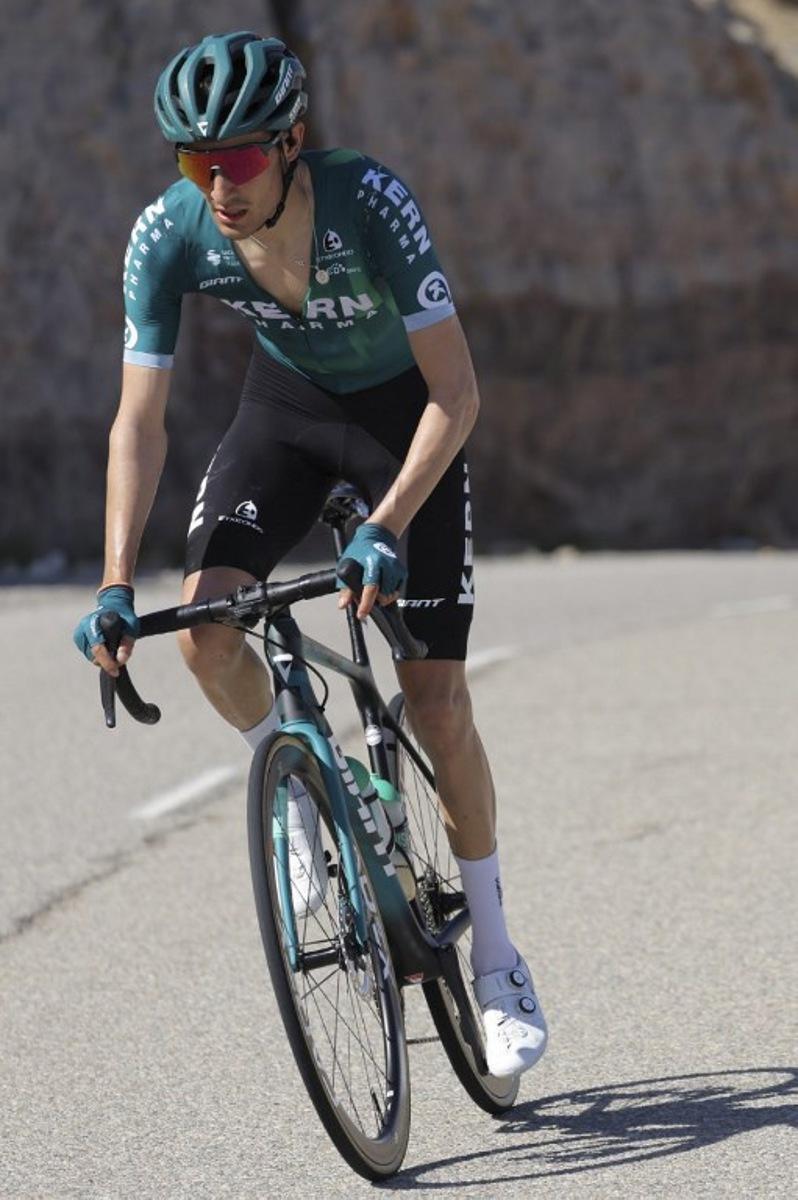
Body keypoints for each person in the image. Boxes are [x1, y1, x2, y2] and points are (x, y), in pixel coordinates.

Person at [73, 31, 547, 1078]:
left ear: (291, 143)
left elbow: (458, 395)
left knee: (438, 703)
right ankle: (294, 791)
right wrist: (114, 583)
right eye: (196, 164)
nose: (217, 187)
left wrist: (384, 524)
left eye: (237, 159)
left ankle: (503, 959)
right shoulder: (171, 233)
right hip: (282, 414)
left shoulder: (371, 202)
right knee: (204, 629)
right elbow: (137, 427)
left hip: (404, 420)